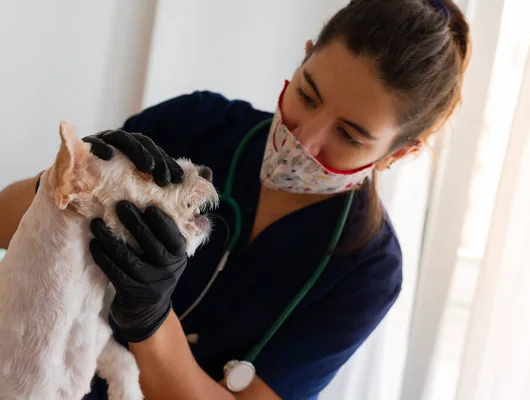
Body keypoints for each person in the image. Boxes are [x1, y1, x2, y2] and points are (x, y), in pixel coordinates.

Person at [0, 0, 471, 398]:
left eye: (348, 134)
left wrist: (149, 319)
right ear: (304, 58)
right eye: (307, 95)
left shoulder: (368, 269)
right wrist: (76, 174)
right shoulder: (200, 124)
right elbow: (5, 219)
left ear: (399, 153)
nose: (305, 137)